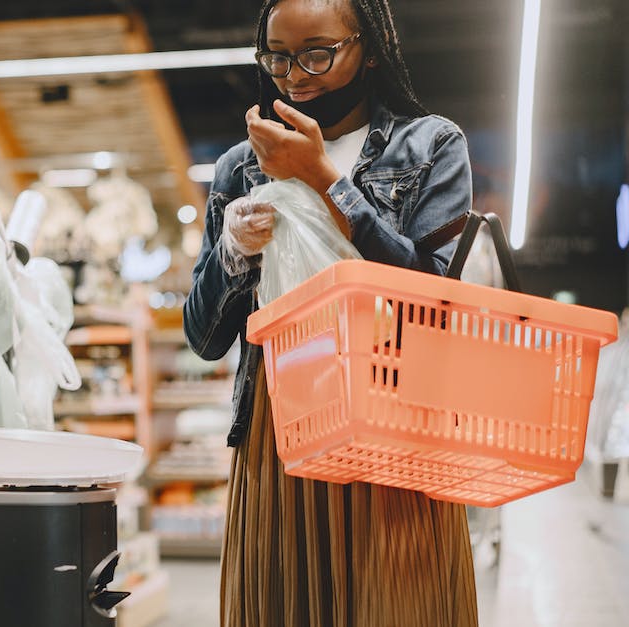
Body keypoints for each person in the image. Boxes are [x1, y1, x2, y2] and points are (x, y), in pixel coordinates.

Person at [182, 0, 479, 625]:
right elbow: (204, 338)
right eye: (278, 57)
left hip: (393, 424)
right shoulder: (240, 166)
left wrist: (321, 179)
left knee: (396, 602)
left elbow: (433, 300)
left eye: (318, 52)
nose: (296, 75)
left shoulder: (430, 144)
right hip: (280, 425)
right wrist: (233, 252)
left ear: (367, 46)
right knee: (284, 606)